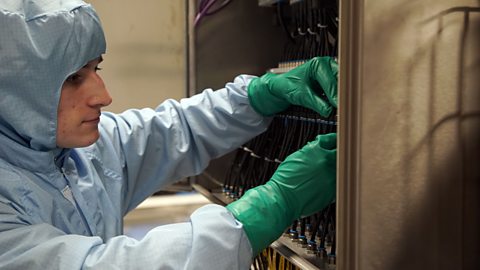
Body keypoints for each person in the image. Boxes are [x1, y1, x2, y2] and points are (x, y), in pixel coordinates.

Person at [0, 1, 338, 269]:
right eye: (74, 78)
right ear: (14, 91)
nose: (103, 96)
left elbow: (174, 130)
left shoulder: (72, 152)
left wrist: (257, 97)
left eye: (96, 68)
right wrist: (268, 209)